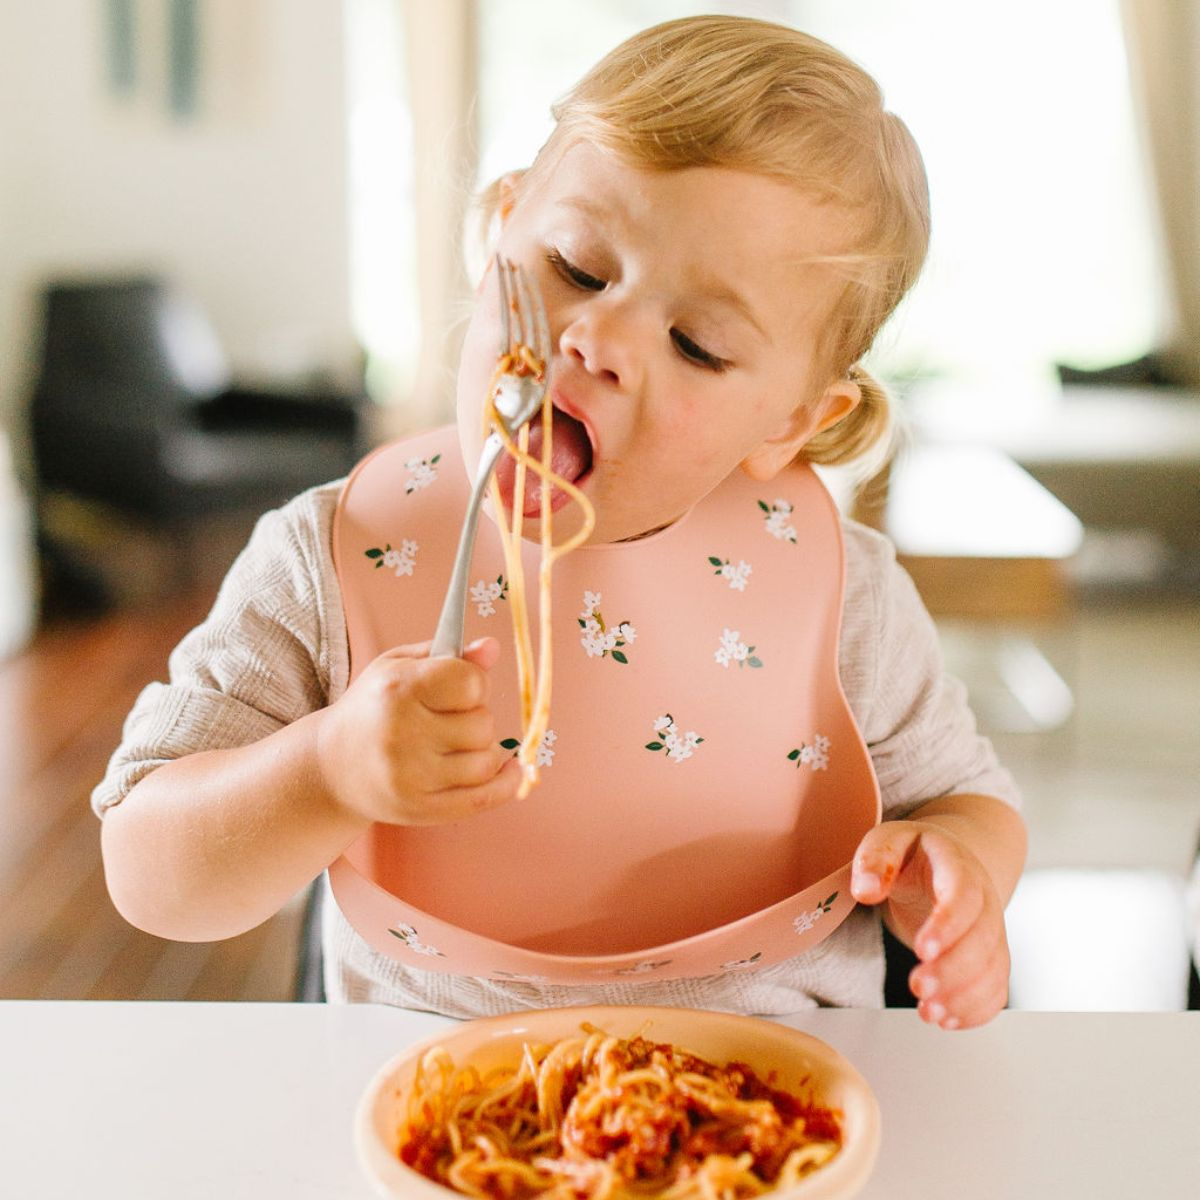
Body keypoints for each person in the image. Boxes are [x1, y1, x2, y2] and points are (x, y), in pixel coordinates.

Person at [95, 15, 1025, 1029]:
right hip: (426, 1132)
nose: (599, 340)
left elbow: (967, 804)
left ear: (794, 421)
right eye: (577, 268)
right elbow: (150, 873)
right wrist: (326, 771)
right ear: (499, 227)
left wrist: (955, 873)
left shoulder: (846, 595)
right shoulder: (329, 560)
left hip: (766, 1132)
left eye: (699, 345)